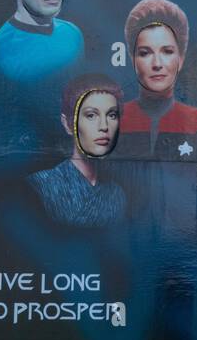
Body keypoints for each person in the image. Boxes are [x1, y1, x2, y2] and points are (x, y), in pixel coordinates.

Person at [117, 0, 197, 159]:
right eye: (145, 53)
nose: (157, 63)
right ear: (132, 59)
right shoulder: (113, 122)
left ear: (181, 58)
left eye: (167, 51)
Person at [27, 74, 125, 228]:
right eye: (91, 115)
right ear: (67, 124)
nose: (104, 126)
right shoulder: (40, 185)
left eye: (112, 115)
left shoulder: (117, 195)